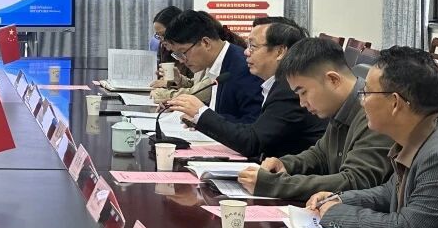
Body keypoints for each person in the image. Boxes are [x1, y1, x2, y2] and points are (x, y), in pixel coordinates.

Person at [310, 47, 438, 228]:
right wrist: (341, 199)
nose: (362, 102)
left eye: (366, 93)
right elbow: (390, 191)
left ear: (395, 103)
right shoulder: (425, 129)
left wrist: (336, 214)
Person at [239, 37, 393, 198]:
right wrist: (285, 164)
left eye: (303, 92)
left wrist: (274, 185)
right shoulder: (340, 106)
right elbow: (321, 155)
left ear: (333, 79)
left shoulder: (374, 111)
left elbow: (356, 181)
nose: (302, 103)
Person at [166, 18, 325, 159]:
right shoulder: (277, 84)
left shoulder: (288, 90)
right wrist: (201, 120)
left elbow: (253, 142)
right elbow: (255, 130)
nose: (246, 52)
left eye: (253, 46)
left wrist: (202, 114)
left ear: (280, 51)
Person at [161, 10, 263, 123]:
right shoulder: (218, 62)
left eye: (183, 52)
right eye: (177, 55)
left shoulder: (243, 68)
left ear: (206, 43)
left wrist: (203, 118)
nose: (181, 60)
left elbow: (252, 123)